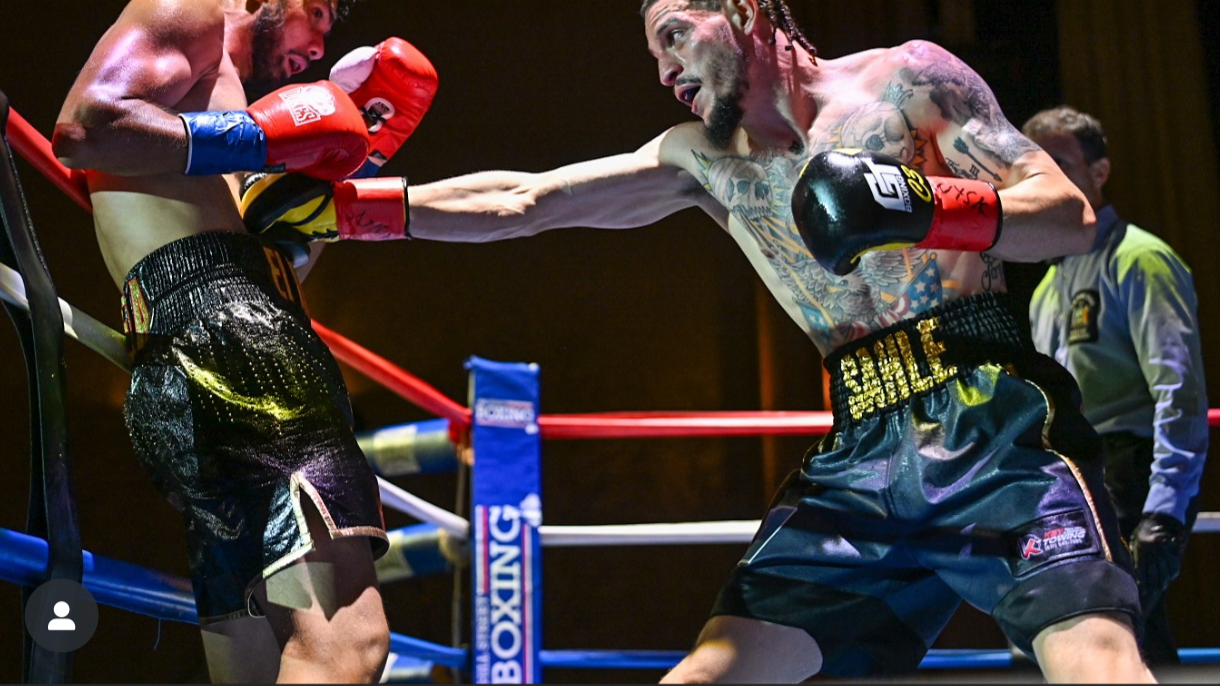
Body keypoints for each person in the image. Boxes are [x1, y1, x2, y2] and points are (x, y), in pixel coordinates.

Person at [241, 0, 1153, 681]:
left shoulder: (909, 80)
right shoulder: (700, 160)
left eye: (676, 33)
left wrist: (918, 207)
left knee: (1098, 662)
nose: (665, 67)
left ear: (746, 11)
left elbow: (1063, 216)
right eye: (654, 51)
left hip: (993, 417)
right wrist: (344, 208)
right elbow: (522, 201)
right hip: (860, 453)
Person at [52, 1, 436, 681]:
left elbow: (265, 247)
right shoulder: (189, 11)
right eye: (315, 14)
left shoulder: (213, 96)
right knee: (345, 642)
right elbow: (86, 129)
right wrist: (258, 136)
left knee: (259, 661)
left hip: (201, 359)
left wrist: (328, 176)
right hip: (242, 347)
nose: (317, 47)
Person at [1022, 106, 1209, 665]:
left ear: (1099, 172)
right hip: (1072, 484)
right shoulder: (1046, 287)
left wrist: (1166, 511)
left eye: (1060, 162)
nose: (1046, 178)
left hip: (1129, 473)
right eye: (1035, 167)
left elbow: (1179, 391)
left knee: (1126, 646)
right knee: (1081, 647)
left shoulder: (1141, 260)